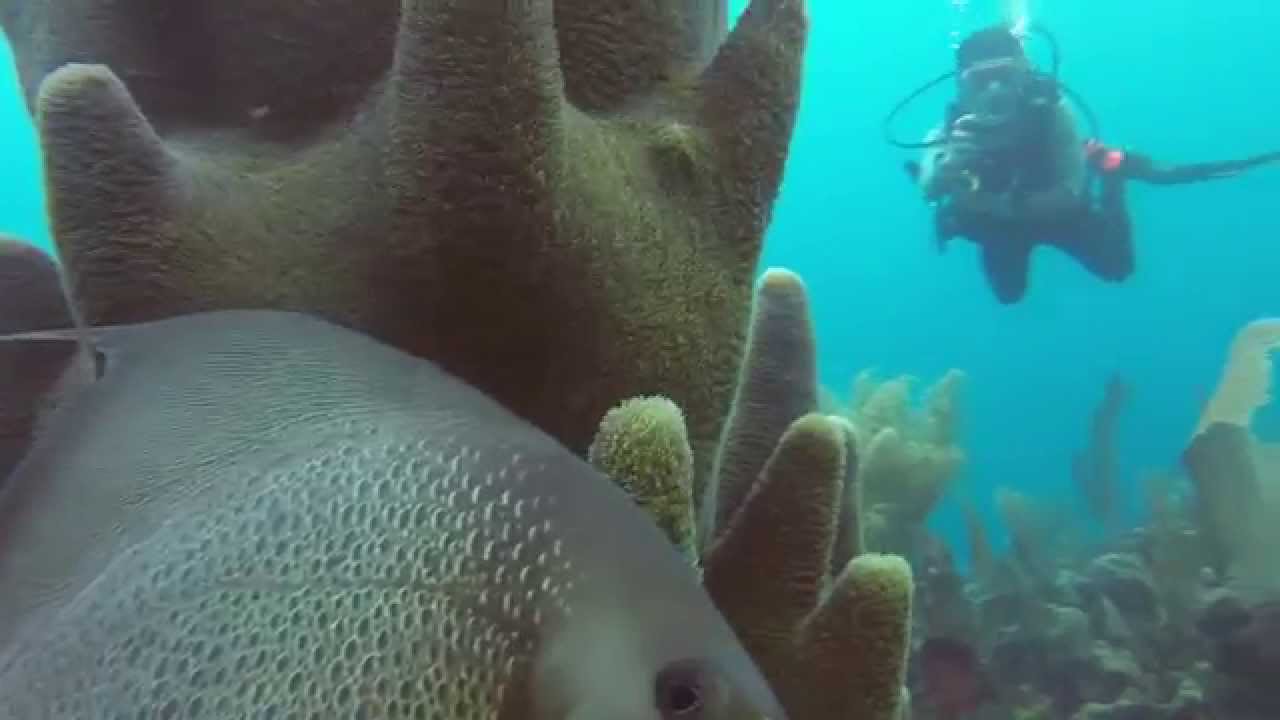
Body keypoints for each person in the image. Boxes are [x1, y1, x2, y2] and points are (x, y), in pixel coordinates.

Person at [896, 24, 1280, 304]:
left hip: (1051, 209)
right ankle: (1104, 169)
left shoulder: (1052, 113)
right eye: (982, 81)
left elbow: (1069, 192)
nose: (995, 91)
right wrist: (948, 169)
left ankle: (1113, 174)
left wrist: (994, 205)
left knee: (1118, 268)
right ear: (962, 87)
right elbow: (928, 187)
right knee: (1008, 295)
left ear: (1024, 75)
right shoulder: (949, 131)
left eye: (1006, 77)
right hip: (999, 223)